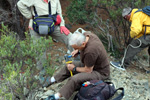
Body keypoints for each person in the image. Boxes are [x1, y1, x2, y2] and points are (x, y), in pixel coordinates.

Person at [43, 31, 110, 100]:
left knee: (74, 79)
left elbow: (88, 70)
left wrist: (74, 68)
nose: (75, 49)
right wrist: (78, 51)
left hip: (100, 72)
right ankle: (52, 80)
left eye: (76, 48)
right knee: (69, 65)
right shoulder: (86, 35)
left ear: (83, 44)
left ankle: (56, 96)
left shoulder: (91, 51)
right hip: (91, 64)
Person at [17, 0, 73, 75]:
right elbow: (20, 4)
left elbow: (59, 13)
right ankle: (43, 75)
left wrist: (62, 25)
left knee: (71, 38)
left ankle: (78, 61)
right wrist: (30, 16)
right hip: (36, 27)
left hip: (52, 26)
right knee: (40, 51)